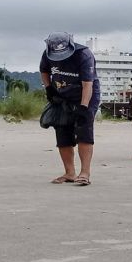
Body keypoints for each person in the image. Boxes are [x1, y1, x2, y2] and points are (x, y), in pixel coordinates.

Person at [40, 32, 99, 186]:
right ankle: (70, 173)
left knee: (84, 131)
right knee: (62, 131)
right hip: (62, 95)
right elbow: (44, 71)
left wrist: (83, 108)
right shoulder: (47, 54)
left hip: (86, 95)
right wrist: (48, 88)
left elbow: (88, 84)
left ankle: (85, 173)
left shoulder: (84, 55)